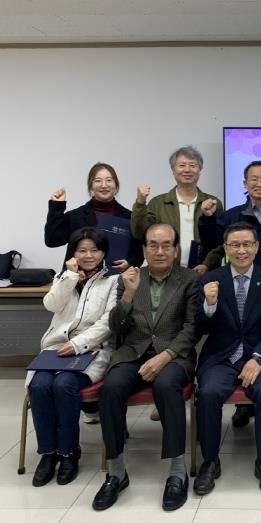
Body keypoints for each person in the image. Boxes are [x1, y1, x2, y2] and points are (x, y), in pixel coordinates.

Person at [92, 224, 199, 512]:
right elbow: (116, 328)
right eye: (153, 245)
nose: (159, 251)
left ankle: (177, 471)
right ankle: (116, 472)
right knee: (111, 389)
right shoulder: (128, 278)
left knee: (166, 386)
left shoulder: (190, 279)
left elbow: (192, 328)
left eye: (166, 245)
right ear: (144, 249)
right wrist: (128, 295)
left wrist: (165, 356)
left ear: (175, 250)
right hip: (132, 353)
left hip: (174, 356)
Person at [198, 160, 261, 429]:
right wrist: (207, 219)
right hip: (237, 289)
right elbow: (211, 242)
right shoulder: (232, 216)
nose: (259, 183)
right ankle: (244, 406)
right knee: (239, 339)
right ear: (245, 184)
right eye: (253, 179)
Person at [194, 222, 261, 496]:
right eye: (235, 245)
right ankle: (210, 461)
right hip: (221, 356)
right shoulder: (210, 279)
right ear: (225, 248)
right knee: (208, 392)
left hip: (260, 356)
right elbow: (199, 328)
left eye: (247, 244)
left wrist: (258, 358)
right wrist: (209, 305)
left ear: (256, 247)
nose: (241, 250)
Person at [27, 227, 117, 487]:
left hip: (92, 349)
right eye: (82, 250)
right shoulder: (64, 277)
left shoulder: (113, 281)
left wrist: (78, 344)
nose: (88, 255)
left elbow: (108, 322)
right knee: (39, 385)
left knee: (64, 384)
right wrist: (68, 277)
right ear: (73, 253)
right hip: (55, 349)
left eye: (94, 250)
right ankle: (48, 453)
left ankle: (68, 452)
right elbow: (51, 305)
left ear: (103, 252)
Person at [130, 145, 224, 273]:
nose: (187, 170)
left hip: (204, 273)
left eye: (192, 165)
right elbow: (139, 233)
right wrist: (140, 203)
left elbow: (221, 241)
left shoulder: (212, 203)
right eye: (182, 165)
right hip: (167, 272)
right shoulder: (158, 203)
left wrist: (207, 265)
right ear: (173, 170)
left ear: (200, 170)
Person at [44, 162, 143, 273]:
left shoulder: (129, 217)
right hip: (78, 279)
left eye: (109, 180)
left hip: (116, 279)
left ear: (116, 184)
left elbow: (139, 251)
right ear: (91, 185)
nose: (104, 185)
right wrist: (57, 206)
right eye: (98, 181)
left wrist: (130, 263)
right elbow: (52, 241)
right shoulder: (75, 216)